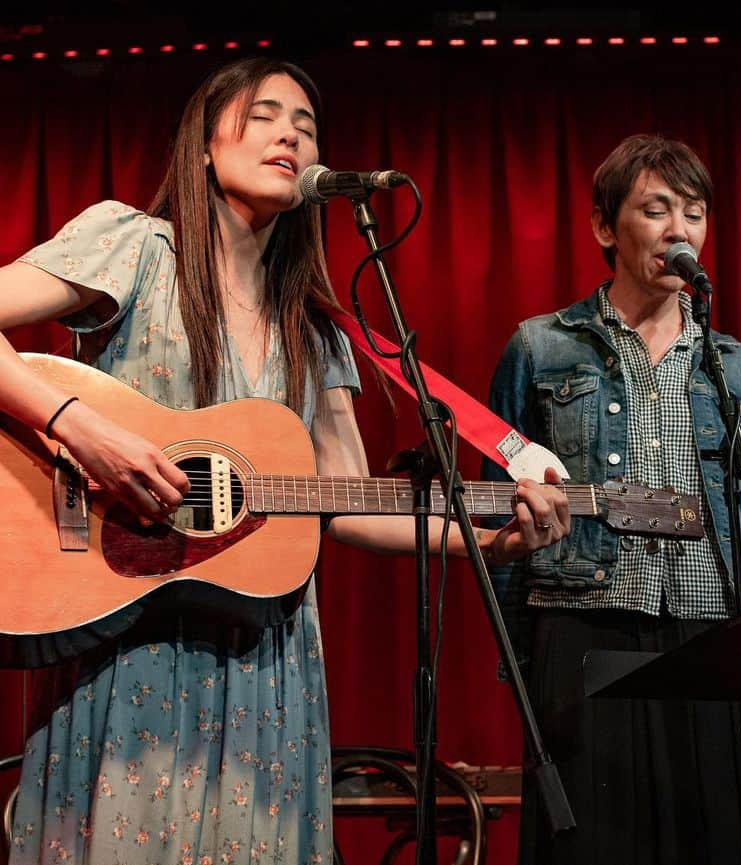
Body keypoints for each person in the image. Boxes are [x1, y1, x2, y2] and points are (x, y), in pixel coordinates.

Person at [0, 57, 570, 865]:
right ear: (203, 143)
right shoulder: (133, 248)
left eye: (304, 125)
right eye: (264, 114)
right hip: (125, 641)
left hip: (265, 664)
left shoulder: (316, 328)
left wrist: (501, 538)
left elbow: (349, 502)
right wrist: (83, 428)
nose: (290, 134)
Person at [482, 134, 741, 865]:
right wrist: (522, 655)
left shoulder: (735, 366)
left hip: (710, 633)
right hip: (583, 622)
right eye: (656, 209)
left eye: (694, 212)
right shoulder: (541, 348)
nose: (680, 229)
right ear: (605, 227)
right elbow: (501, 517)